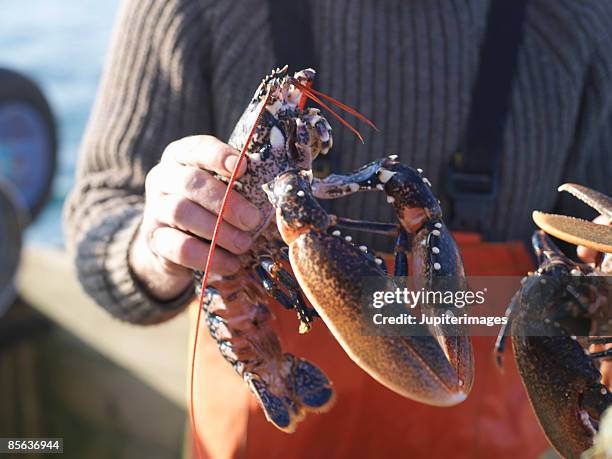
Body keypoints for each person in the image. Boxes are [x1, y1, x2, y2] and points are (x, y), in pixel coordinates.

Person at [64, 0, 612, 457]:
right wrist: (156, 246)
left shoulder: (581, 17)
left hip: (511, 430)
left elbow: (593, 232)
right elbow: (100, 214)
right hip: (269, 413)